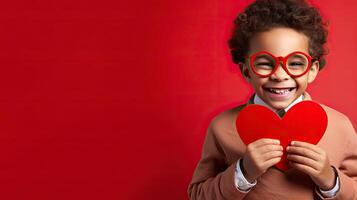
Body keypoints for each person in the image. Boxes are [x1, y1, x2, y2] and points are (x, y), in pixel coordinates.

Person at [187, 0, 357, 199]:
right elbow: (198, 195)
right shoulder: (222, 127)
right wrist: (242, 172)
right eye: (265, 64)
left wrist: (330, 180)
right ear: (246, 71)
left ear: (311, 71)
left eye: (294, 63)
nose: (279, 75)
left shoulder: (339, 126)